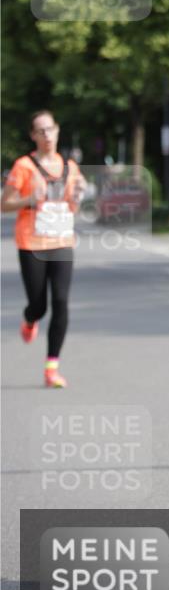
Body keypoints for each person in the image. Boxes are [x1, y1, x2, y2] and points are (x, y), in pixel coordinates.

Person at [1, 110, 84, 388]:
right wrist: (28, 199)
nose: (47, 135)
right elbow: (5, 204)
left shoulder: (70, 167)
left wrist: (77, 197)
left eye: (50, 129)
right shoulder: (23, 166)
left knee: (61, 302)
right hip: (32, 243)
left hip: (61, 242)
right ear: (33, 136)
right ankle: (29, 319)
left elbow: (73, 206)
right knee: (39, 305)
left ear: (58, 131)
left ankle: (52, 368)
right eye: (41, 130)